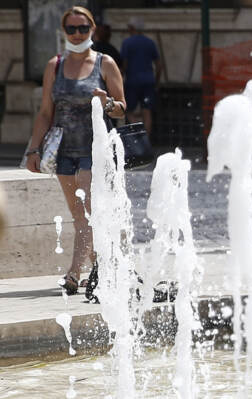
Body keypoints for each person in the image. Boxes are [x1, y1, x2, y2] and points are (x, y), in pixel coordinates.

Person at [24, 6, 126, 299]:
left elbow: (121, 107)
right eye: (72, 29)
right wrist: (33, 150)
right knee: (79, 215)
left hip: (95, 151)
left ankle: (73, 274)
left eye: (83, 28)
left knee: (87, 216)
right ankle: (104, 269)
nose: (78, 33)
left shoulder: (105, 63)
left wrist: (107, 103)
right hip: (62, 151)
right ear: (64, 31)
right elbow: (45, 112)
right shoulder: (54, 65)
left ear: (92, 29)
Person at [120, 17, 162, 136]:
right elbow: (159, 65)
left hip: (133, 81)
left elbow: (125, 65)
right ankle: (146, 141)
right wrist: (157, 82)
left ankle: (137, 136)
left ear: (131, 28)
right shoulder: (150, 42)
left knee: (129, 111)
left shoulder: (127, 43)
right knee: (147, 111)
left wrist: (119, 81)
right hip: (149, 81)